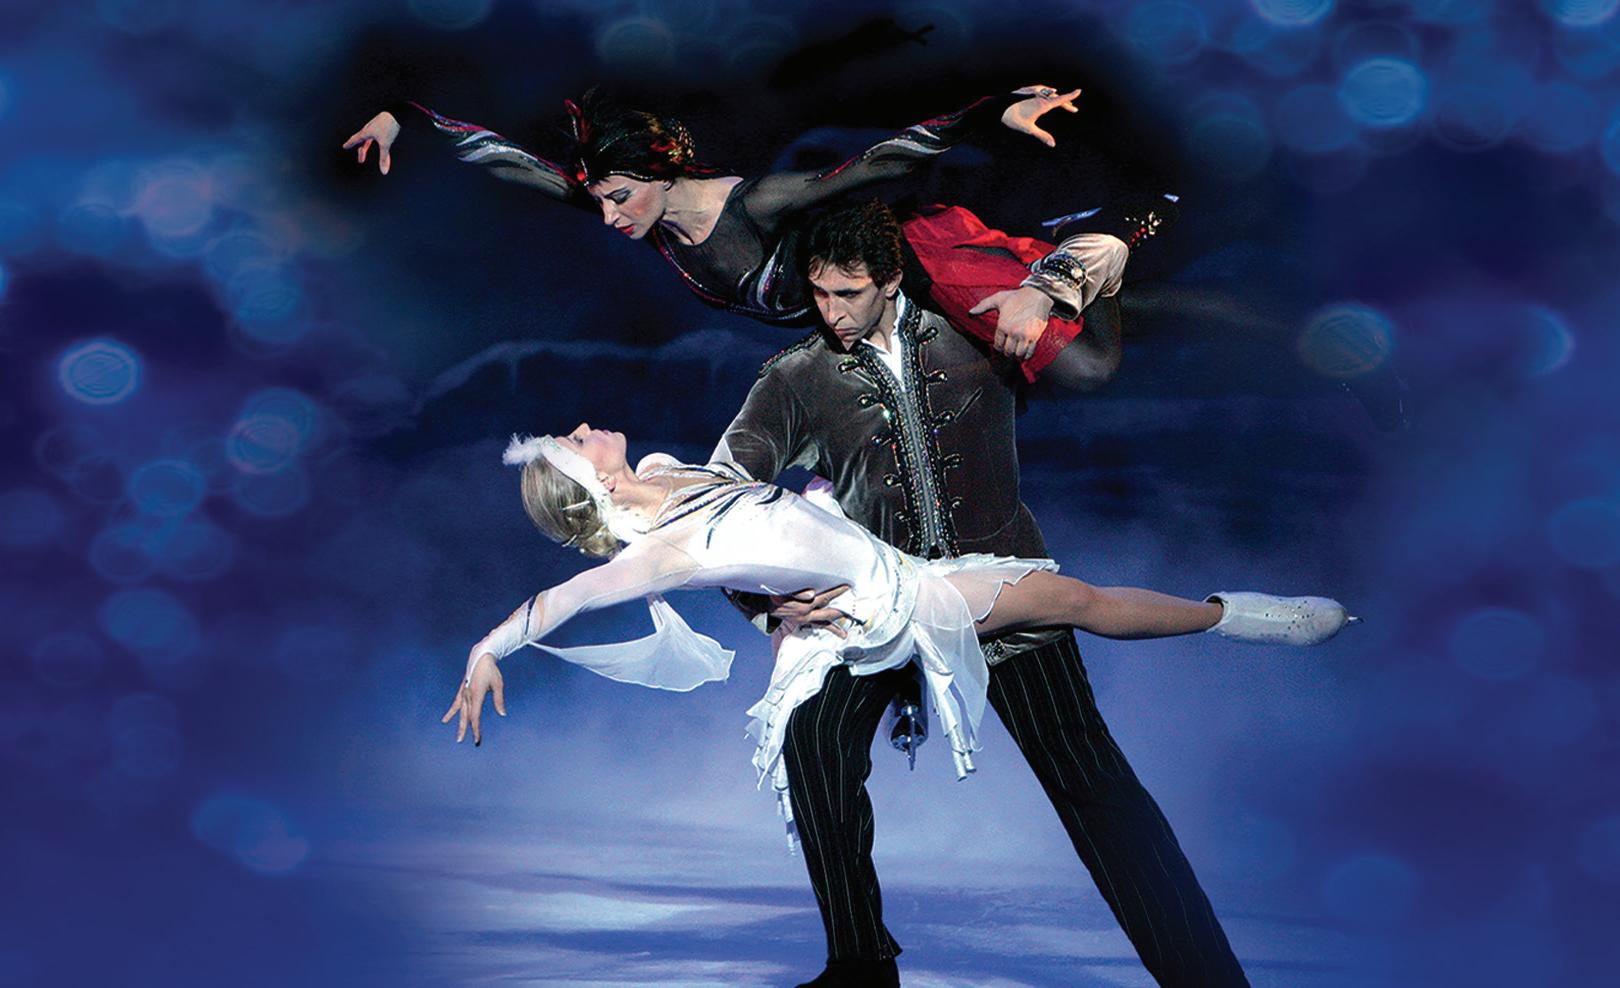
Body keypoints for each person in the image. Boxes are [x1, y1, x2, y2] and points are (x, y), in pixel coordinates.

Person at [443, 426, 1350, 970]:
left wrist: (808, 520)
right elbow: (568, 598)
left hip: (888, 570)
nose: (584, 428)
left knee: (1072, 598)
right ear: (594, 481)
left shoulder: (669, 466)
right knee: (1068, 601)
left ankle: (1233, 612)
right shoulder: (656, 550)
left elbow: (764, 527)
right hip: (884, 611)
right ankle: (1244, 618)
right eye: (574, 441)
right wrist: (487, 649)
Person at [708, 201, 1267, 987]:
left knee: (1095, 786)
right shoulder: (797, 377)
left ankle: (1205, 978)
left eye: (849, 293)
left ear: (892, 279)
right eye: (820, 293)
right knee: (815, 742)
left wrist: (1053, 287)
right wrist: (763, 600)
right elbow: (719, 494)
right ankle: (861, 968)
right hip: (884, 607)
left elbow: (1100, 271)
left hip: (1007, 596)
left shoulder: (974, 327)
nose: (831, 312)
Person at [341, 86, 1168, 388]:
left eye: (621, 196)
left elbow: (885, 160)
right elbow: (506, 160)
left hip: (914, 264)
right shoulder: (639, 212)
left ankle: (1101, 239)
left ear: (663, 173)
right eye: (599, 200)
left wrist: (992, 110)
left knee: (1089, 370)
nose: (610, 217)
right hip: (863, 328)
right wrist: (401, 114)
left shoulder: (760, 203)